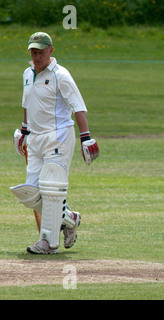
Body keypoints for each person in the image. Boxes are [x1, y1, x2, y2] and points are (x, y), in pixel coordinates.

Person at [11, 32, 99, 254]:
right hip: (35, 139)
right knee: (30, 193)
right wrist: (23, 130)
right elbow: (27, 103)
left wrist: (85, 137)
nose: (37, 55)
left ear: (51, 50)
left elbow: (78, 106)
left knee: (51, 192)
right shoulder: (27, 74)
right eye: (33, 51)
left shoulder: (61, 75)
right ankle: (70, 218)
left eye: (41, 51)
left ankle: (48, 243)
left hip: (58, 137)